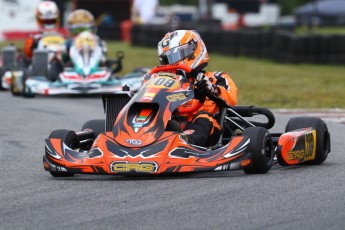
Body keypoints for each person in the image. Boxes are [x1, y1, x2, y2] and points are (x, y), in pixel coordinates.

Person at [154, 30, 238, 147]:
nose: (171, 63)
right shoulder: (164, 82)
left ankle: (185, 143)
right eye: (167, 60)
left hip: (208, 129)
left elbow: (231, 99)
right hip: (175, 125)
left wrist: (212, 89)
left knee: (204, 117)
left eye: (175, 57)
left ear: (193, 51)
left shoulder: (216, 77)